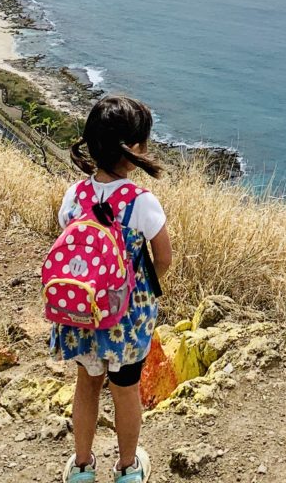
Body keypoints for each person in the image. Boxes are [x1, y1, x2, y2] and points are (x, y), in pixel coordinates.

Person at [51, 95, 172, 483]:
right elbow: (164, 259)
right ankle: (127, 469)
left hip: (82, 312)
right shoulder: (141, 202)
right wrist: (139, 288)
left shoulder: (74, 195)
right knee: (126, 390)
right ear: (134, 150)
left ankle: (83, 468)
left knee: (86, 386)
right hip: (126, 319)